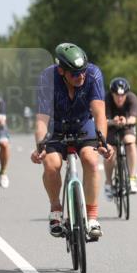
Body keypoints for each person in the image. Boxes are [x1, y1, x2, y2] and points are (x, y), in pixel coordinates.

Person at [30, 43, 113, 239]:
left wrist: (103, 141)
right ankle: (56, 211)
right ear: (61, 71)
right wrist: (40, 146)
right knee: (51, 164)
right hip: (55, 127)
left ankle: (92, 218)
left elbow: (99, 112)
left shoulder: (93, 75)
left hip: (83, 124)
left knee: (91, 161)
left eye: (82, 71)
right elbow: (42, 119)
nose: (81, 77)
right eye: (75, 74)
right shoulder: (47, 78)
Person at [103, 77, 137, 197]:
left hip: (126, 125)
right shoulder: (106, 99)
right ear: (112, 94)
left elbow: (133, 118)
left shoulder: (132, 98)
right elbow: (102, 120)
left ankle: (132, 179)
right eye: (117, 95)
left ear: (126, 94)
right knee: (110, 152)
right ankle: (108, 183)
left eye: (122, 95)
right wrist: (113, 122)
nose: (120, 98)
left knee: (130, 142)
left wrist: (126, 120)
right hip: (111, 126)